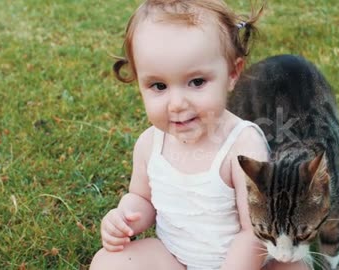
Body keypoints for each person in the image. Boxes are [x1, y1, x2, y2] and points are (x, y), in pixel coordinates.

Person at [90, 0, 309, 269]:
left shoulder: (242, 145)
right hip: (176, 258)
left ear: (232, 74)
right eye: (159, 86)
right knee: (108, 262)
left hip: (248, 262)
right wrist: (125, 215)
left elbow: (254, 233)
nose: (177, 103)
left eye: (196, 82)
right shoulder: (150, 144)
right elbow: (142, 199)